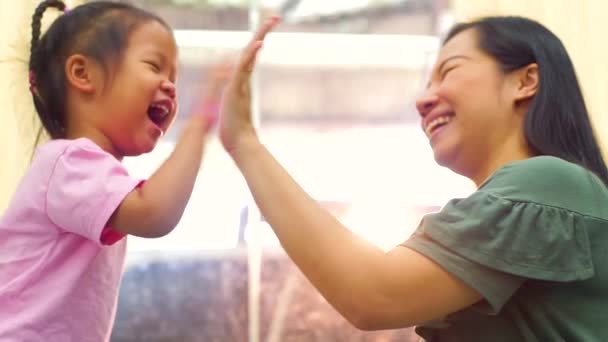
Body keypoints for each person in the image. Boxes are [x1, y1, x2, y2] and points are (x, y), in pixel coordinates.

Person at [220, 16, 608, 341]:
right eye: (427, 84)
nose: (424, 101)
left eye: (449, 71)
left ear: (525, 81)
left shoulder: (547, 180)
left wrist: (245, 144)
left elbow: (374, 294)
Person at [0, 0, 224, 340]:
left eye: (173, 76)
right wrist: (201, 121)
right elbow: (154, 213)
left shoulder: (85, 172)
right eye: (154, 66)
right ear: (82, 74)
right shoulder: (69, 163)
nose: (170, 85)